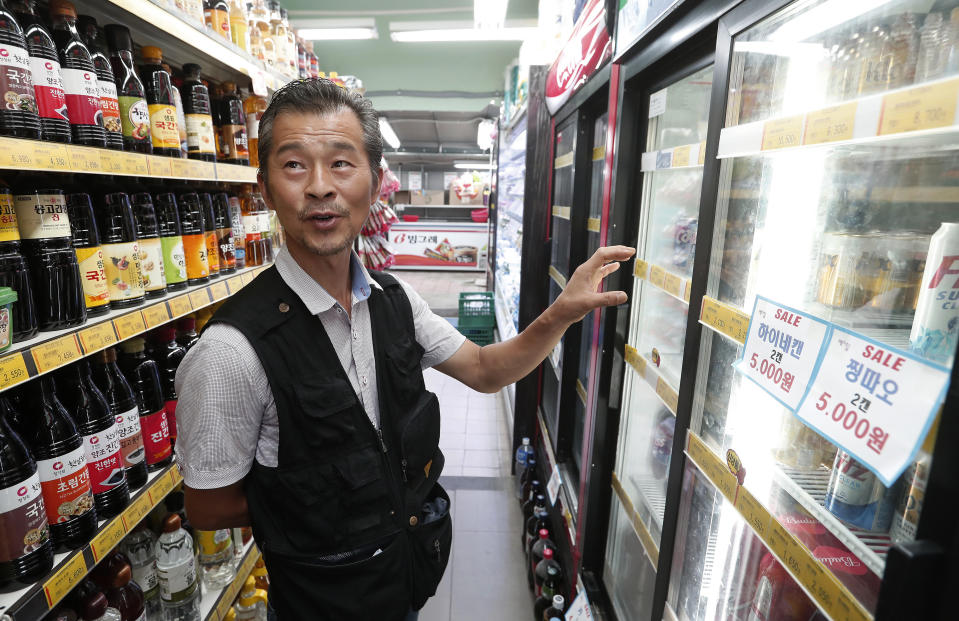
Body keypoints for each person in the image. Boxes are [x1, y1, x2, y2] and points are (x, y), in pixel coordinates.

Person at [174, 78, 634, 621]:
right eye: (294, 165)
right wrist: (326, 503)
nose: (321, 187)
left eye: (342, 163)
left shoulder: (395, 301)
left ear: (374, 182)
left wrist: (563, 311)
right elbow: (207, 504)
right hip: (319, 602)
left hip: (404, 580)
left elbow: (486, 370)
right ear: (266, 188)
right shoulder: (231, 350)